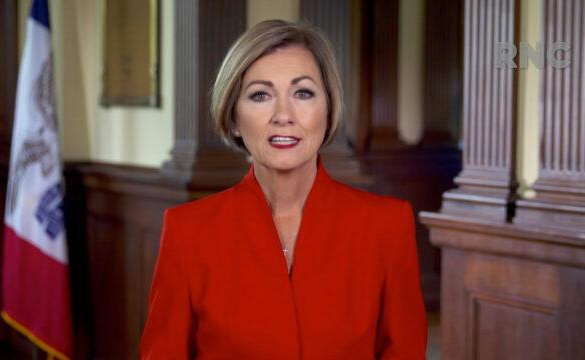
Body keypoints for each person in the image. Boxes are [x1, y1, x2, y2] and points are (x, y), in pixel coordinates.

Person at [139, 19, 427, 359]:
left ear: (329, 107)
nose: (283, 115)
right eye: (261, 95)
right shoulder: (187, 232)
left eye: (302, 92)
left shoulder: (387, 225)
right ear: (233, 117)